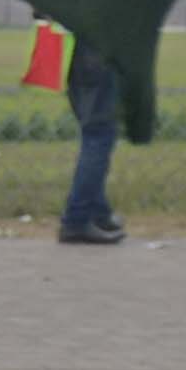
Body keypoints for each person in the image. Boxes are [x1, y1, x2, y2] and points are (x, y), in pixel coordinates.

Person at [57, 46, 124, 245]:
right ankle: (77, 220)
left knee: (95, 133)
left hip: (77, 52)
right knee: (98, 135)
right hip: (99, 50)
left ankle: (98, 212)